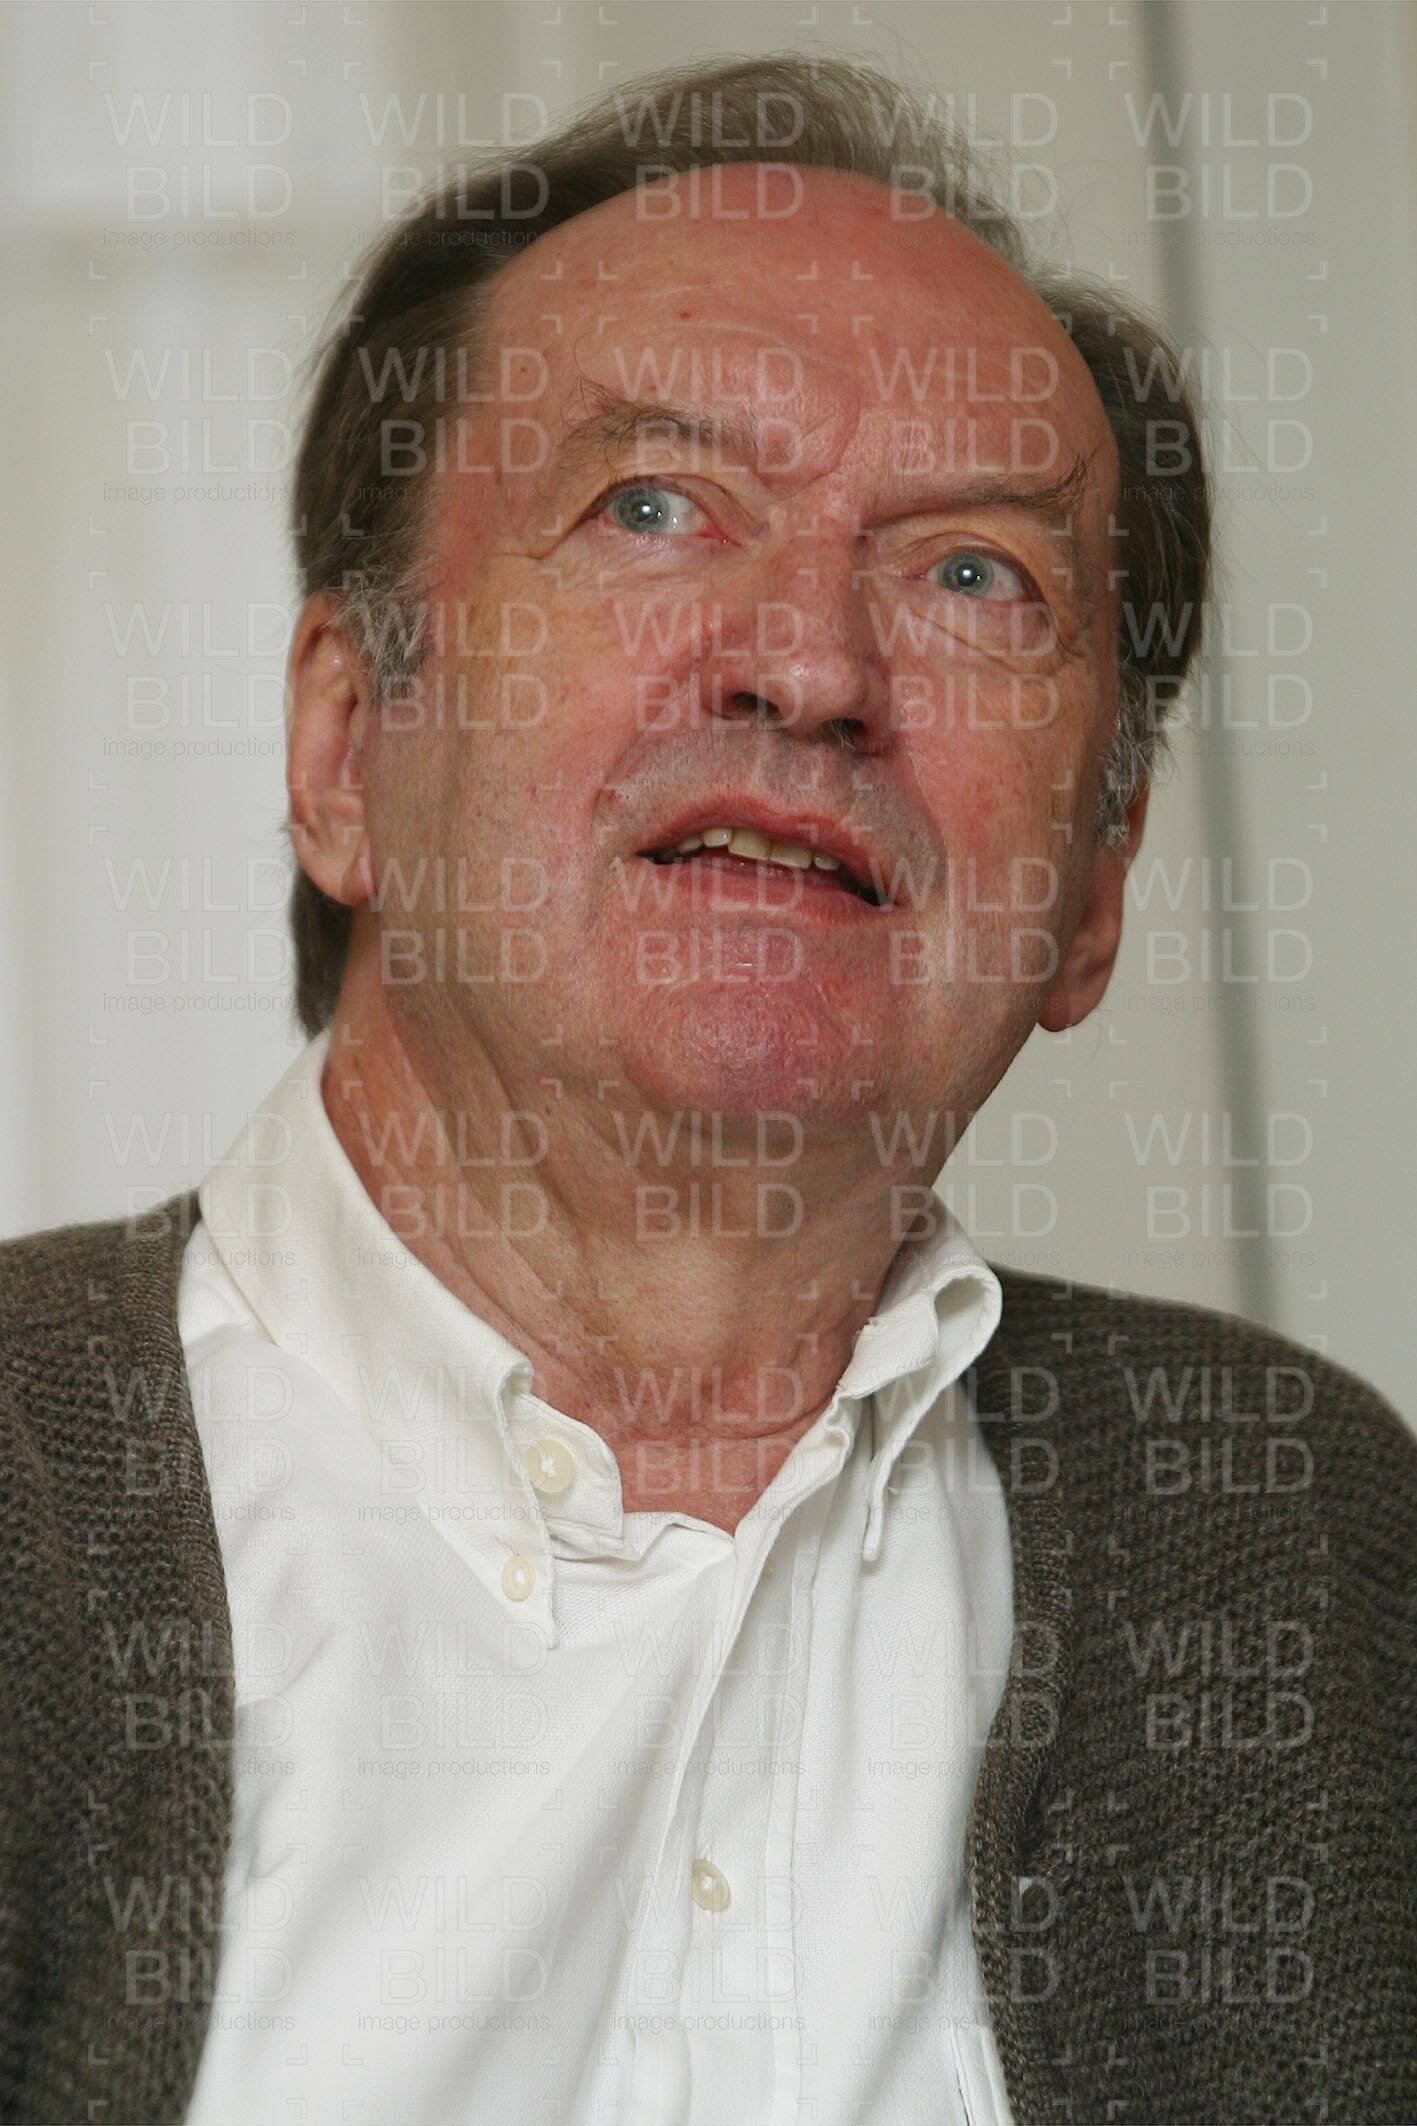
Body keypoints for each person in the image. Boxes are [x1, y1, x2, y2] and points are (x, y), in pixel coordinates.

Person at [2, 47, 1413, 2126]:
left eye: (975, 575)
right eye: (650, 506)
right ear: (343, 746)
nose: (812, 666)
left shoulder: (1300, 1548)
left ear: (1095, 884)